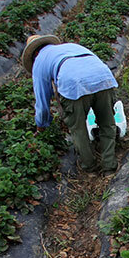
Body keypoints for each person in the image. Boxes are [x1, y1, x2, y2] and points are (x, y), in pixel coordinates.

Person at [22, 34, 119, 173]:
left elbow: (42, 99)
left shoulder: (39, 60)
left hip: (73, 84)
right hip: (103, 77)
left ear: (34, 54)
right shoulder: (71, 47)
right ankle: (109, 166)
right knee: (107, 123)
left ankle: (89, 166)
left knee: (78, 128)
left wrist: (42, 125)